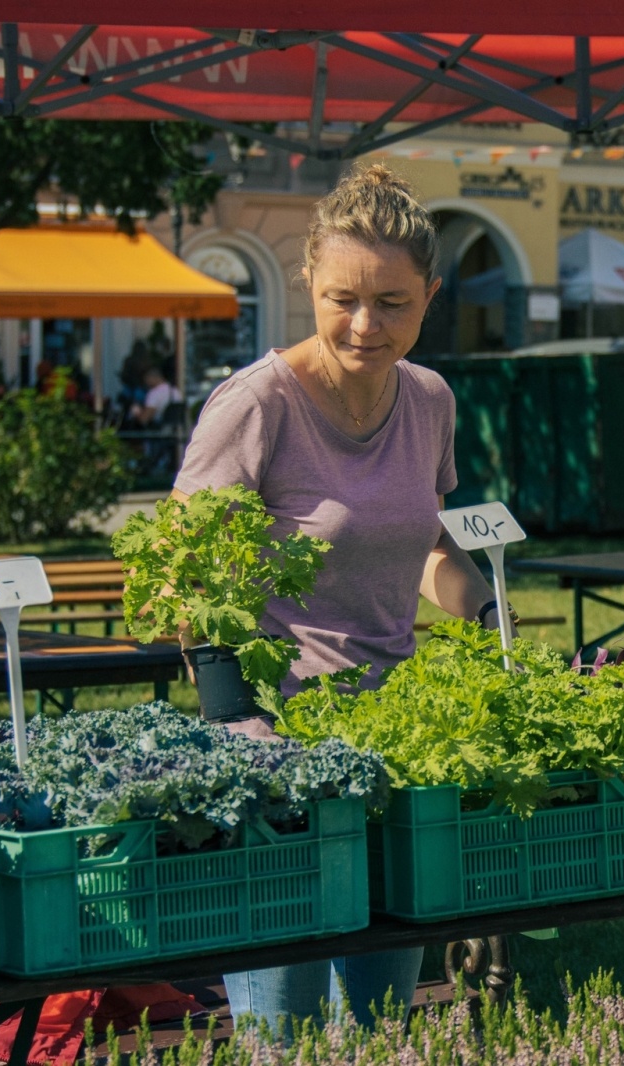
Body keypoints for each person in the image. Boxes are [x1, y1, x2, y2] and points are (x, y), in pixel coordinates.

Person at [171, 164, 500, 1035]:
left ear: (430, 295)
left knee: (383, 1017)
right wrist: (238, 721)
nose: (366, 324)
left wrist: (490, 619)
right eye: (343, 298)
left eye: (393, 302)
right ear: (308, 285)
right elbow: (187, 571)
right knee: (285, 1028)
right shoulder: (257, 405)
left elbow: (428, 543)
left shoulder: (429, 399)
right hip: (277, 749)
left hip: (395, 746)